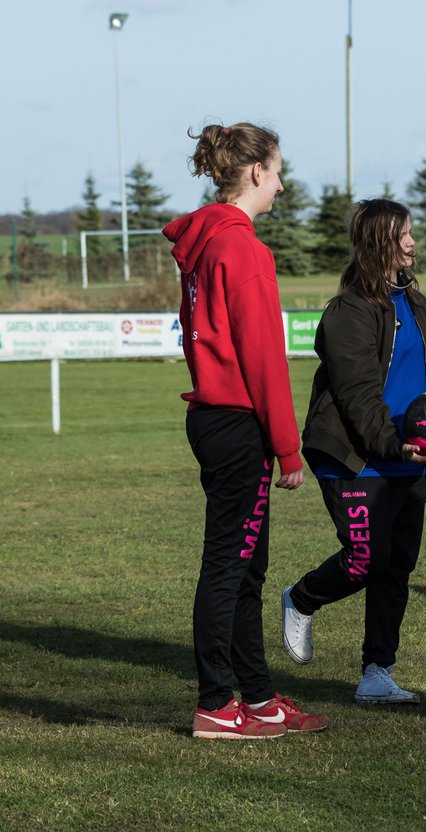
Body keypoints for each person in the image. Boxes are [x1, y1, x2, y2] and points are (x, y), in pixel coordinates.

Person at [163, 122, 328, 739]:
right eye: (279, 171)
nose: (282, 185)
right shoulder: (243, 250)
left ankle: (257, 697)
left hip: (213, 420)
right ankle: (215, 701)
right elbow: (263, 358)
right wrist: (288, 447)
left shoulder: (207, 243)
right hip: (237, 424)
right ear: (255, 172)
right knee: (229, 566)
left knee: (246, 567)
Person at [279, 198, 426, 704]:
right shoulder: (348, 311)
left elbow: (425, 382)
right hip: (357, 457)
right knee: (364, 560)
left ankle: (377, 673)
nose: (412, 243)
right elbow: (358, 396)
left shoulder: (417, 306)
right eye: (402, 236)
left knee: (396, 566)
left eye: (411, 233)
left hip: (407, 457)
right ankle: (301, 597)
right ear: (378, 243)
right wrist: (393, 443)